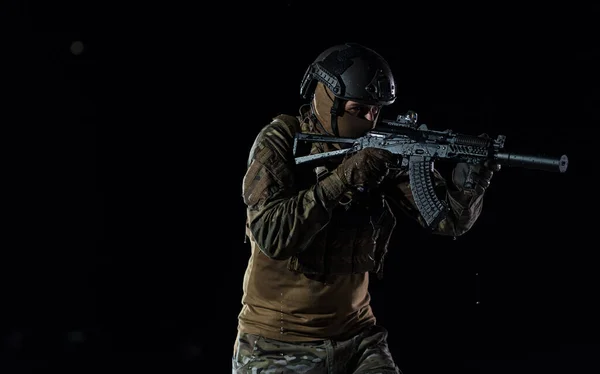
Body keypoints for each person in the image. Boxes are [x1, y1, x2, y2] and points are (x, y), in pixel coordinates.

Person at [233, 42, 499, 373]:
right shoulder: (282, 141)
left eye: (376, 110)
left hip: (358, 337)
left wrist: (469, 186)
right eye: (359, 109)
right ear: (327, 99)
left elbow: (447, 222)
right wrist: (344, 177)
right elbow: (273, 236)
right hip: (278, 343)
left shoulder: (380, 150)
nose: (370, 120)